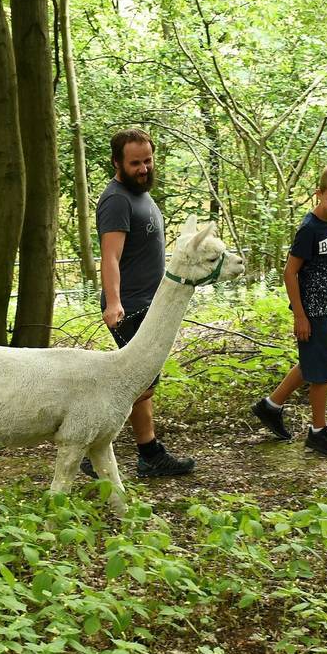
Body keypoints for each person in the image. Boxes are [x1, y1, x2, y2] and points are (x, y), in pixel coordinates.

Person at [81, 128, 195, 478]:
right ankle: (122, 451)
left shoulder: (140, 194)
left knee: (141, 383)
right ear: (117, 163)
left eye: (148, 160)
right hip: (129, 306)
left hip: (149, 304)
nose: (144, 168)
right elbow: (110, 258)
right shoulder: (116, 200)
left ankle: (121, 451)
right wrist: (114, 304)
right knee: (137, 383)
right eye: (136, 163)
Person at [252, 164, 327, 458]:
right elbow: (290, 272)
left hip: (325, 305)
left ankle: (270, 406)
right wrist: (300, 315)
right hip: (312, 310)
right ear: (319, 194)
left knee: (312, 360)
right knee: (322, 371)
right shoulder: (310, 228)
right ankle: (318, 431)